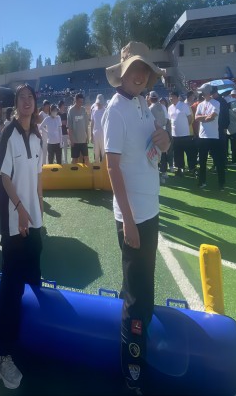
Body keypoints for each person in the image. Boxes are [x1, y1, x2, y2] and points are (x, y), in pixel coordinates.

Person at [102, 42, 170, 395]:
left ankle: (141, 352)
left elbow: (155, 150)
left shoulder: (142, 104)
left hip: (150, 210)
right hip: (133, 217)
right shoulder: (115, 110)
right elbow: (112, 167)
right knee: (136, 296)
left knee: (144, 288)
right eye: (134, 69)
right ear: (123, 73)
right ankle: (133, 369)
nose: (140, 75)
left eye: (144, 70)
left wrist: (166, 141)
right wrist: (127, 221)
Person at [0, 84, 44, 389]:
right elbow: (3, 177)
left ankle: (30, 338)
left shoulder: (37, 136)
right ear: (16, 104)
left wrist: (38, 210)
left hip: (34, 222)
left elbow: (37, 178)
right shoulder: (9, 133)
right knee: (10, 288)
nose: (27, 101)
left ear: (35, 103)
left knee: (34, 278)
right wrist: (21, 209)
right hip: (14, 225)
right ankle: (1, 356)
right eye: (22, 97)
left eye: (30, 97)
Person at [195, 84, 226, 190]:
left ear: (207, 92)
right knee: (202, 162)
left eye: (202, 91)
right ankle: (202, 181)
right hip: (202, 136)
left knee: (218, 161)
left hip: (213, 136)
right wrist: (205, 117)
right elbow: (196, 118)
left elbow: (212, 117)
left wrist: (203, 118)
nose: (201, 93)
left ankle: (221, 183)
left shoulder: (216, 103)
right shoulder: (200, 104)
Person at [167, 91, 193, 176]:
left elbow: (190, 118)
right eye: (170, 97)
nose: (171, 98)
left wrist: (185, 127)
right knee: (178, 153)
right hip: (175, 135)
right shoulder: (170, 108)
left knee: (189, 152)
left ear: (177, 97)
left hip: (185, 134)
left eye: (173, 97)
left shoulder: (184, 105)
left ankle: (192, 168)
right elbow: (170, 120)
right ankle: (180, 168)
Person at [148, 91, 168, 180]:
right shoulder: (163, 107)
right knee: (163, 153)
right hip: (162, 131)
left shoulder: (150, 109)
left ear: (150, 98)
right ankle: (164, 172)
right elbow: (165, 121)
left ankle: (156, 172)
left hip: (154, 133)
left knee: (154, 154)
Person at [67, 93, 89, 164]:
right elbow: (69, 127)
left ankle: (85, 171)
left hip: (83, 140)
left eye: (82, 102)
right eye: (79, 102)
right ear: (75, 101)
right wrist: (71, 140)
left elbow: (86, 125)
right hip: (75, 140)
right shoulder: (71, 111)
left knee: (86, 158)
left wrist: (87, 136)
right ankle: (72, 171)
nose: (81, 103)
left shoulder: (83, 110)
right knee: (74, 160)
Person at [91, 94, 106, 163]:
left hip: (103, 134)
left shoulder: (105, 111)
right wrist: (91, 135)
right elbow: (92, 122)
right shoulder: (93, 110)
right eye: (98, 103)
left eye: (100, 103)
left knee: (103, 151)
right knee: (96, 152)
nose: (99, 104)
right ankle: (96, 165)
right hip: (95, 134)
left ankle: (104, 166)